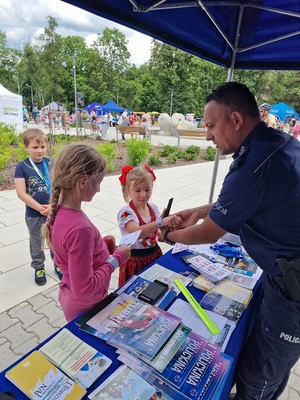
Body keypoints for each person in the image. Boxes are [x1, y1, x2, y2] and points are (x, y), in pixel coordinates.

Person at [162, 82, 300, 399]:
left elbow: (210, 232)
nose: (208, 135)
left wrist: (169, 235)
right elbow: (248, 200)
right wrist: (197, 210)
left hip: (292, 294)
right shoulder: (274, 142)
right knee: (270, 364)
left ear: (235, 120)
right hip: (283, 277)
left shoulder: (255, 164)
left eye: (211, 126)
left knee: (257, 376)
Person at [42, 143, 131, 322]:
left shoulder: (57, 211)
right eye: (98, 181)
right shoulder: (80, 229)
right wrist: (117, 258)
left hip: (71, 297)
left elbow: (71, 255)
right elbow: (84, 289)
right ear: (83, 182)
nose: (98, 188)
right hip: (87, 308)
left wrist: (100, 249)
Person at [117, 165, 181, 286]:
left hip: (155, 255)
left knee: (154, 289)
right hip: (134, 261)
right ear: (128, 190)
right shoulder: (125, 213)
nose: (143, 194)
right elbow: (136, 233)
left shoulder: (154, 209)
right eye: (137, 190)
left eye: (147, 190)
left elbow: (157, 236)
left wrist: (171, 234)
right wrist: (159, 222)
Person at [14, 128, 62, 285]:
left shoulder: (52, 163)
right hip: (34, 213)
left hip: (54, 210)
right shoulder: (22, 167)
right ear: (26, 147)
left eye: (42, 146)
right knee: (37, 240)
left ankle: (59, 264)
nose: (40, 151)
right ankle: (39, 267)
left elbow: (61, 186)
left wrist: (52, 206)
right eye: (35, 147)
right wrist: (41, 208)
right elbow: (21, 193)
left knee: (56, 238)